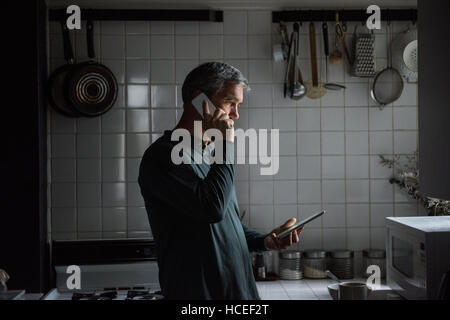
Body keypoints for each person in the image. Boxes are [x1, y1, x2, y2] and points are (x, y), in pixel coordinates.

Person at [138, 62, 303, 300]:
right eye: (230, 103)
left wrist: (266, 241)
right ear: (199, 99)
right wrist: (226, 143)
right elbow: (211, 208)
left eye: (238, 105)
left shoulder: (209, 155)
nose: (236, 114)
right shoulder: (163, 156)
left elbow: (225, 223)